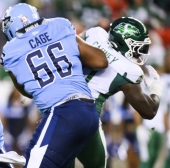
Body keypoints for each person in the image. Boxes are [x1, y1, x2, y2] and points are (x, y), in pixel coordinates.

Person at [0, 3, 108, 167]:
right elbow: (101, 61)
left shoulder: (11, 51)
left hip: (62, 112)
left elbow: (27, 91)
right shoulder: (60, 25)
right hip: (88, 110)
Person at [74, 17, 161, 168]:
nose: (140, 53)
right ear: (125, 42)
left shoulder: (95, 34)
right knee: (98, 164)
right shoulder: (128, 70)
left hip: (58, 102)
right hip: (86, 115)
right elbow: (149, 111)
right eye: (137, 47)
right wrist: (155, 89)